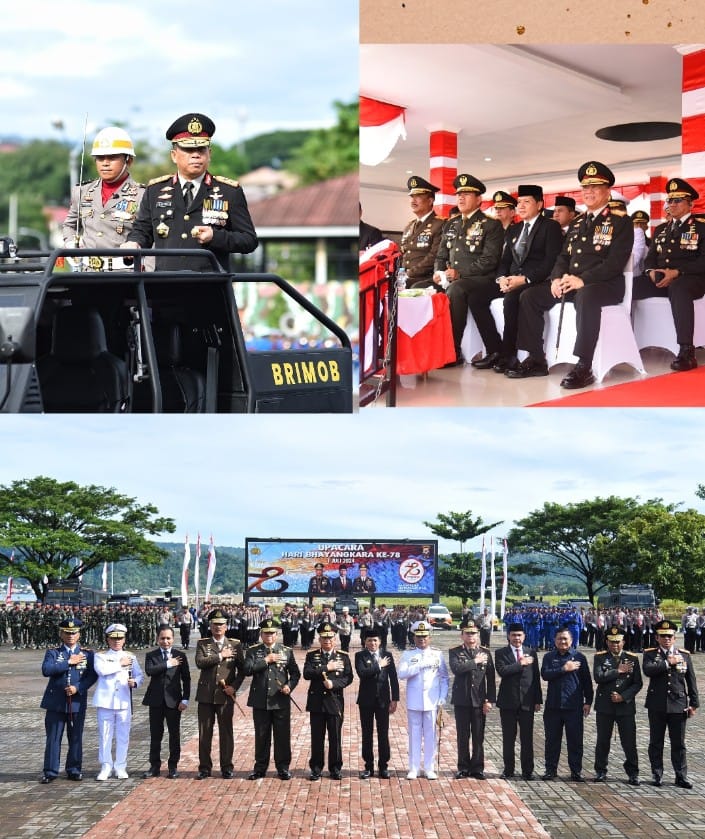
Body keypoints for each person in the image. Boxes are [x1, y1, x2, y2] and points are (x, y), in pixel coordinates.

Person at [510, 161, 633, 388]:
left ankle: (583, 365)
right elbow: (563, 258)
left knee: (586, 296)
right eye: (585, 187)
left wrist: (583, 280)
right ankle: (536, 358)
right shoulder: (577, 223)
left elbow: (615, 262)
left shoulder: (621, 221)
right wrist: (556, 278)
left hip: (604, 285)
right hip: (571, 283)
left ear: (608, 190)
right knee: (530, 296)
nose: (589, 192)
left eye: (595, 187)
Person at [125, 112, 258, 271]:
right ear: (174, 156)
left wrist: (215, 237)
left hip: (210, 287)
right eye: (189, 149)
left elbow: (249, 240)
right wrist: (134, 243)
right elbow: (142, 231)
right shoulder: (155, 190)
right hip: (165, 286)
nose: (196, 155)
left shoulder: (229, 191)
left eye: (201, 149)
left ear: (210, 154)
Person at [432, 173, 504, 368]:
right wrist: (438, 273)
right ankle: (429, 348)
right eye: (459, 194)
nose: (461, 198)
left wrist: (459, 274)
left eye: (467, 194)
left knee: (457, 289)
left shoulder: (491, 225)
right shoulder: (451, 224)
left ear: (479, 199)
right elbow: (441, 255)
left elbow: (489, 260)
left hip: (482, 280)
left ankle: (453, 351)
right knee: (422, 287)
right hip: (453, 278)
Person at [635, 177, 705, 372]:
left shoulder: (701, 228)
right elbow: (650, 258)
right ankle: (624, 341)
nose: (672, 204)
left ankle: (686, 351)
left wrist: (676, 272)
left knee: (678, 287)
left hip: (691, 279)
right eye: (670, 200)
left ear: (690, 203)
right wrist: (650, 272)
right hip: (661, 278)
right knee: (631, 286)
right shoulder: (661, 229)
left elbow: (703, 261)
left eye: (677, 200)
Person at [494, 184, 563, 374]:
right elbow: (505, 261)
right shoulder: (514, 230)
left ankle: (531, 358)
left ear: (540, 204)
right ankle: (508, 354)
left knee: (518, 298)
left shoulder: (551, 227)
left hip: (540, 281)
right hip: (515, 282)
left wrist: (525, 280)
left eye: (527, 202)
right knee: (509, 299)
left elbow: (551, 261)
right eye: (519, 202)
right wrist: (501, 278)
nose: (521, 206)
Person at [62, 127, 144, 265]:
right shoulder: (82, 191)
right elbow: (69, 225)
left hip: (125, 273)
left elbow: (150, 237)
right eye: (100, 158)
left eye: (112, 157)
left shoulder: (143, 195)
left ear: (128, 161)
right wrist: (71, 244)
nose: (105, 163)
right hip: (87, 272)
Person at [642, 618, 699, 788]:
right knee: (656, 742)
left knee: (679, 743)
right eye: (663, 636)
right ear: (657, 638)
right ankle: (657, 774)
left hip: (678, 704)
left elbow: (691, 680)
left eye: (669, 636)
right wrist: (668, 663)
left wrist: (694, 703)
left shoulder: (685, 655)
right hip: (656, 705)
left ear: (675, 638)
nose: (666, 639)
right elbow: (648, 670)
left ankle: (681, 775)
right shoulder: (650, 653)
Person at [39, 617, 97, 783]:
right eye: (67, 633)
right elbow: (47, 670)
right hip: (55, 703)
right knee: (53, 738)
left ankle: (74, 769)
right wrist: (68, 662)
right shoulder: (53, 652)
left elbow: (91, 675)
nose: (70, 636)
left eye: (74, 633)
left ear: (79, 634)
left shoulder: (87, 654)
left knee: (76, 737)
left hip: (76, 702)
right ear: (61, 634)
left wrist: (78, 687)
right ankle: (50, 771)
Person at [243, 618, 300, 781]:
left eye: (272, 633)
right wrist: (265, 661)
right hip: (260, 700)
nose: (269, 636)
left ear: (277, 634)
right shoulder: (254, 651)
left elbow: (295, 674)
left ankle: (283, 768)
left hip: (280, 700)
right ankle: (260, 768)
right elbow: (247, 670)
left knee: (282, 735)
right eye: (266, 633)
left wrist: (289, 686)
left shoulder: (286, 651)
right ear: (261, 634)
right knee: (262, 735)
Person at [194, 607, 245, 779]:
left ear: (226, 626)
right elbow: (200, 662)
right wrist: (221, 656)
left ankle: (227, 767)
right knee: (204, 732)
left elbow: (243, 670)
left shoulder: (235, 644)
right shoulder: (203, 644)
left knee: (226, 732)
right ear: (210, 625)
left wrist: (235, 687)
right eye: (215, 624)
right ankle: (204, 768)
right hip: (206, 695)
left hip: (225, 695)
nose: (218, 627)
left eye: (221, 624)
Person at [398, 620, 449, 780]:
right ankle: (413, 768)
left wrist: (442, 696)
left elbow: (444, 678)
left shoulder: (437, 654)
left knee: (430, 735)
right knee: (414, 735)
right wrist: (418, 666)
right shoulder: (408, 655)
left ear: (430, 637)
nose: (422, 640)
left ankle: (429, 768)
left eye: (425, 637)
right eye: (418, 637)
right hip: (414, 700)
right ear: (414, 638)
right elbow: (401, 674)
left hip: (432, 700)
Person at [93, 623, 144, 780]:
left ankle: (121, 766)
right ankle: (106, 766)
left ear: (124, 640)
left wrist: (134, 682)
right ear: (107, 639)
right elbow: (102, 671)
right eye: (113, 639)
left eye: (120, 638)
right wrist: (119, 664)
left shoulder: (131, 657)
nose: (116, 642)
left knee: (123, 735)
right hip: (105, 702)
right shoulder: (101, 656)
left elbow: (140, 675)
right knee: (105, 735)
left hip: (123, 702)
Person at [540, 628, 593, 781]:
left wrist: (588, 701)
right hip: (553, 706)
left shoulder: (579, 657)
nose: (562, 642)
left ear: (571, 640)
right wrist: (563, 668)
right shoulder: (549, 657)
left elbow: (587, 682)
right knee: (552, 741)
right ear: (554, 640)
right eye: (559, 639)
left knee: (575, 741)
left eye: (565, 639)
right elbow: (545, 675)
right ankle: (550, 770)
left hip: (574, 706)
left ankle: (576, 771)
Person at [302, 621, 353, 780]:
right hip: (316, 703)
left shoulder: (343, 657)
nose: (327, 640)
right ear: (319, 639)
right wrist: (326, 668)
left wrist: (334, 684)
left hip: (334, 702)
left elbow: (348, 678)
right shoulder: (312, 656)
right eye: (324, 637)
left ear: (335, 639)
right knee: (317, 737)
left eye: (330, 637)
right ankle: (316, 768)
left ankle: (335, 768)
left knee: (335, 737)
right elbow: (307, 673)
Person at [592, 625, 642, 785]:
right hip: (605, 706)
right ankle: (600, 770)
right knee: (602, 741)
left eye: (618, 642)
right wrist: (617, 671)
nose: (615, 645)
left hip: (625, 706)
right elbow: (598, 677)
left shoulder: (632, 658)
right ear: (607, 642)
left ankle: (633, 773)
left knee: (629, 741)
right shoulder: (600, 657)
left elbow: (637, 683)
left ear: (623, 642)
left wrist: (623, 697)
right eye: (612, 642)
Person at [141, 624, 191, 779]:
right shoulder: (151, 655)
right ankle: (154, 766)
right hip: (155, 701)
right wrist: (168, 664)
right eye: (162, 638)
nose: (165, 641)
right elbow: (150, 671)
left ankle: (173, 766)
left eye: (168, 638)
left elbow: (187, 679)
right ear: (157, 639)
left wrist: (185, 699)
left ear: (173, 639)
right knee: (156, 734)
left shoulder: (180, 656)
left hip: (174, 701)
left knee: (174, 734)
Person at [494, 622, 542, 781]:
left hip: (527, 702)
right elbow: (503, 671)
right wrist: (520, 664)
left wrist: (538, 699)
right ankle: (508, 770)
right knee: (508, 738)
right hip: (508, 702)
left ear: (524, 636)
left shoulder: (531, 652)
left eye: (519, 635)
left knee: (527, 738)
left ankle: (527, 771)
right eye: (513, 635)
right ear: (509, 636)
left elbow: (535, 678)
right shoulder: (501, 653)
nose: (517, 638)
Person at [448, 620, 496, 780]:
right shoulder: (454, 652)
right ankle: (462, 767)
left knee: (478, 736)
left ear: (478, 635)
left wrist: (489, 700)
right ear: (462, 635)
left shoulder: (486, 652)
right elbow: (457, 669)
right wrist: (474, 661)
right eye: (467, 633)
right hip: (461, 700)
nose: (471, 636)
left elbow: (490, 678)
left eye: (473, 633)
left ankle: (477, 768)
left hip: (479, 701)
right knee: (463, 736)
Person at [355, 628, 399, 779]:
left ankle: (383, 766)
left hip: (383, 700)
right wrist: (378, 665)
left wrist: (395, 699)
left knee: (383, 733)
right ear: (364, 642)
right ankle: (368, 766)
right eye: (369, 640)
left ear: (380, 641)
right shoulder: (360, 655)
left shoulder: (388, 655)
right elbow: (362, 673)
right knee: (367, 733)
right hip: (366, 700)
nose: (372, 643)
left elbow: (393, 678)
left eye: (375, 640)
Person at [400, 175, 445, 289]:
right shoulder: (409, 226)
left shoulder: (440, 224)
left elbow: (434, 256)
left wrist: (410, 273)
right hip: (405, 276)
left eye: (418, 196)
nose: (413, 201)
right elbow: (403, 254)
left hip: (426, 277)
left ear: (430, 200)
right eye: (412, 196)